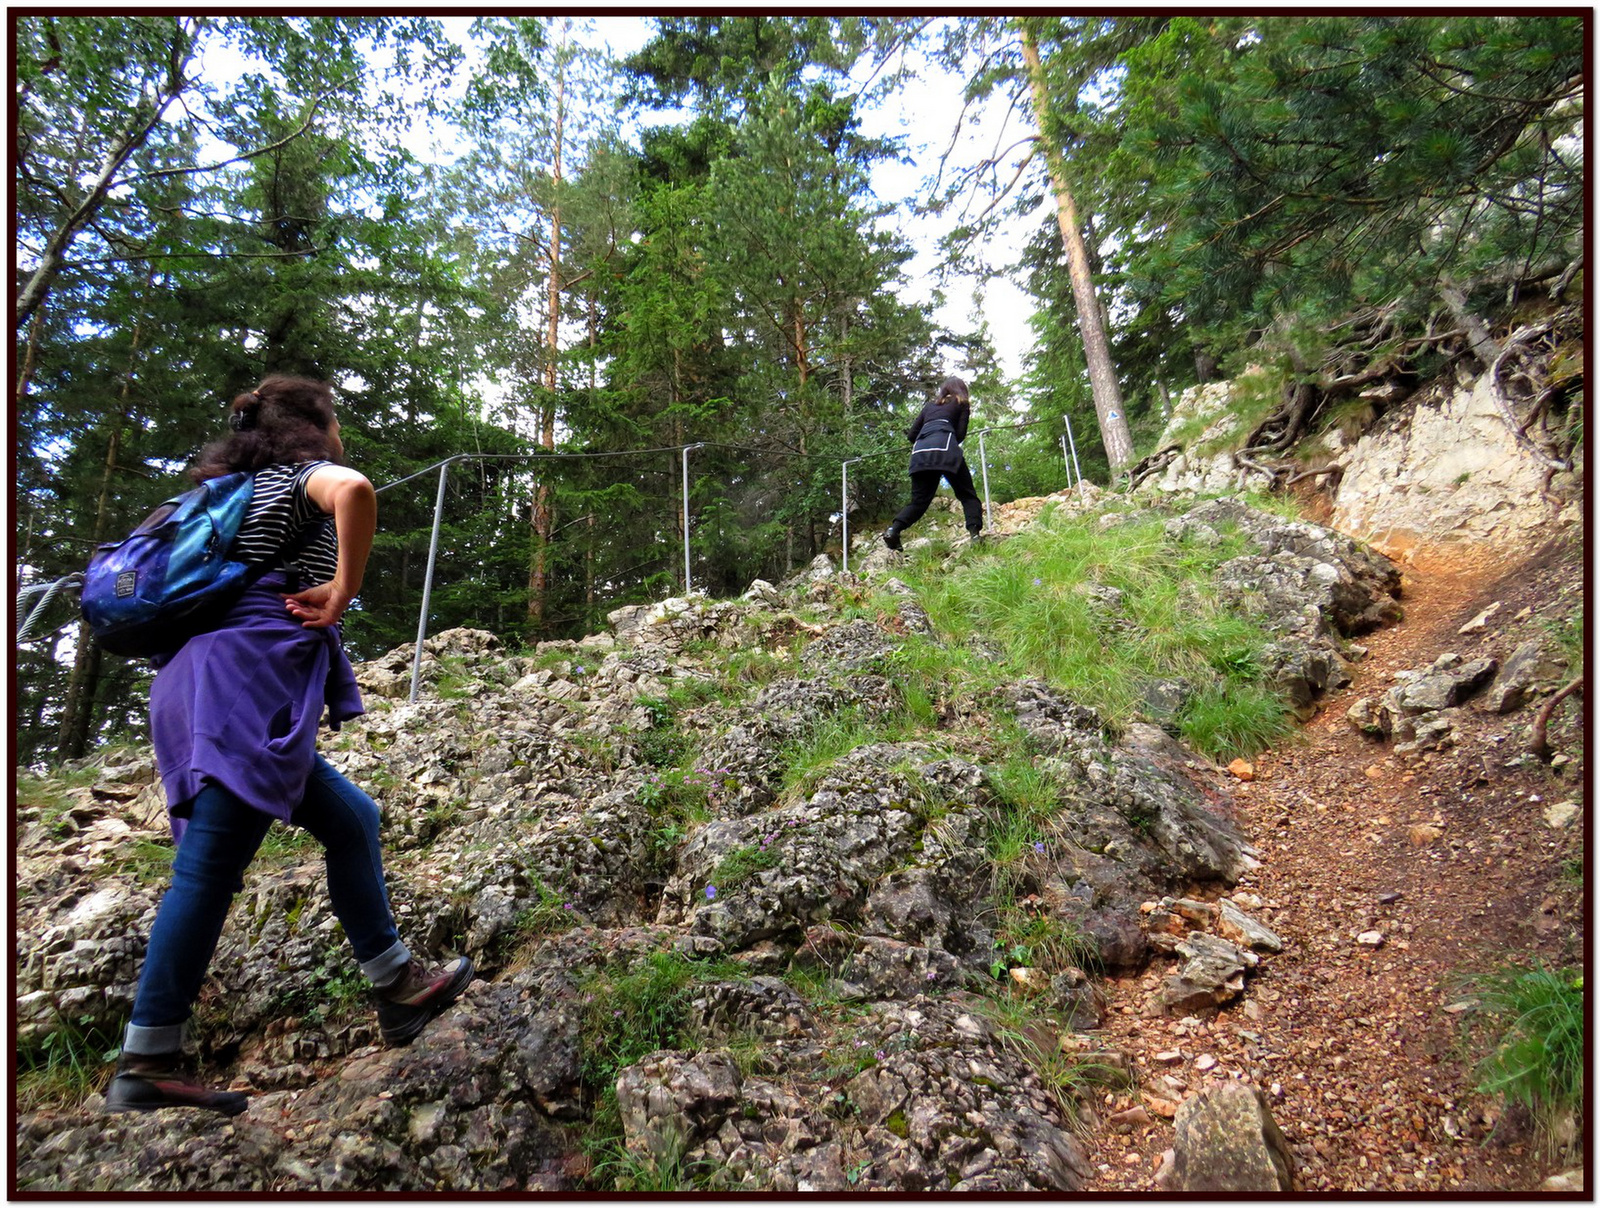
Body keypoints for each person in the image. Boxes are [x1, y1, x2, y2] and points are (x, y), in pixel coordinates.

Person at [105, 376, 473, 1117]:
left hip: (193, 683)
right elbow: (357, 491)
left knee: (350, 818)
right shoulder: (295, 477)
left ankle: (398, 987)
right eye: (335, 423)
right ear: (312, 429)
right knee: (209, 864)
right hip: (247, 678)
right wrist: (344, 586)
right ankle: (146, 1058)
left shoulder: (213, 498)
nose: (340, 437)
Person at [883, 375, 984, 550]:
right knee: (967, 494)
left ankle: (893, 530)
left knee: (919, 501)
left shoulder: (930, 406)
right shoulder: (962, 403)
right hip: (946, 449)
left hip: (920, 453)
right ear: (961, 390)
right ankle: (975, 535)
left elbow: (911, 436)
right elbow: (960, 434)